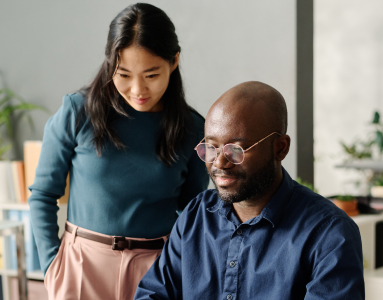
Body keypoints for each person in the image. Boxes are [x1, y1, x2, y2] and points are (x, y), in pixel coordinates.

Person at [28, 3, 209, 300]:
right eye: (124, 74)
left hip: (156, 273)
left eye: (151, 75)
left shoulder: (192, 129)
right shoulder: (78, 111)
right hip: (81, 267)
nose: (138, 89)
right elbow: (43, 194)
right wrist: (52, 265)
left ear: (174, 61)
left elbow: (192, 216)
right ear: (110, 62)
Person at [134, 81, 365, 300]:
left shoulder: (329, 233)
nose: (219, 163)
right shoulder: (196, 215)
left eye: (236, 149)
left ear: (280, 148)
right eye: (211, 147)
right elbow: (152, 294)